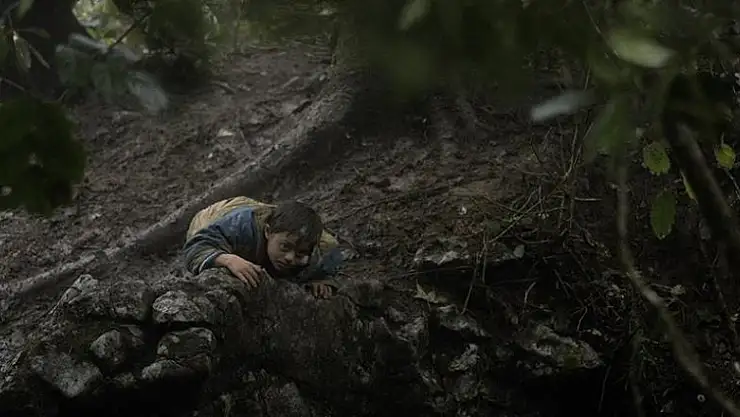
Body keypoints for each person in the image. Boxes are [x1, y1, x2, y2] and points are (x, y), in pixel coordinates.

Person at [182, 196, 343, 298]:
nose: (290, 258)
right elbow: (196, 246)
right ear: (267, 232)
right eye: (285, 247)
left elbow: (333, 260)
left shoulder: (321, 248)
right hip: (221, 214)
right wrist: (227, 259)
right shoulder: (242, 227)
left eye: (300, 254)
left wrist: (322, 280)